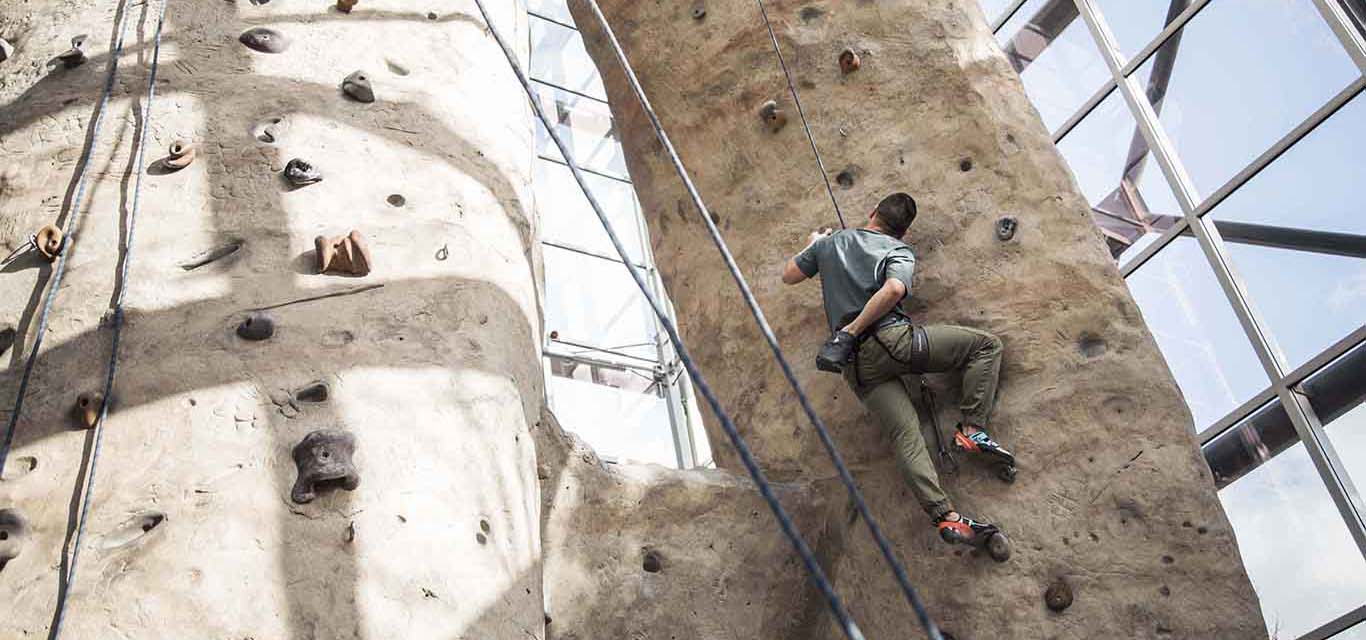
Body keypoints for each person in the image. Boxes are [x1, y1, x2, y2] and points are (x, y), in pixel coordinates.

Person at [781, 192, 1015, 553]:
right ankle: (971, 429)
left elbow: (789, 275)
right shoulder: (897, 251)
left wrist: (813, 245)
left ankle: (945, 516)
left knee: (906, 436)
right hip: (894, 343)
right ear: (902, 232)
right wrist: (855, 328)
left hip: (857, 368)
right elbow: (893, 288)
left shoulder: (830, 244)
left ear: (872, 212)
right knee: (986, 345)